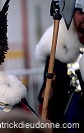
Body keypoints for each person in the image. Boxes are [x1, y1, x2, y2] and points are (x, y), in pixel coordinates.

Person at [35, 0, 84, 132]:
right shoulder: (60, 47)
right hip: (64, 116)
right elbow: (47, 88)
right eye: (80, 13)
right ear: (73, 15)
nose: (83, 17)